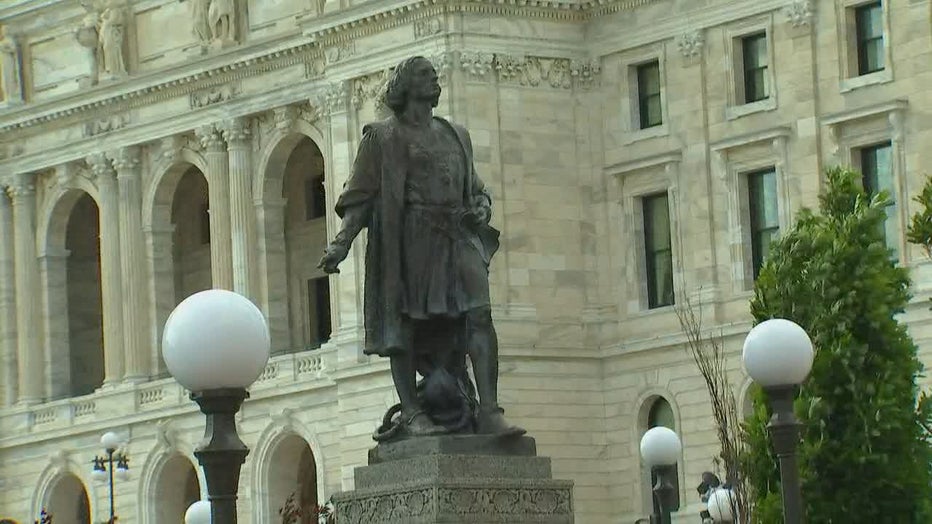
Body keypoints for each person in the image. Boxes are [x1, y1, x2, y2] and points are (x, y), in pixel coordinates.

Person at [318, 56, 523, 439]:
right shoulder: (382, 137)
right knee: (404, 325)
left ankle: (490, 411)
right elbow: (361, 197)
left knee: (479, 314)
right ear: (406, 86)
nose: (435, 80)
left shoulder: (455, 133)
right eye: (426, 75)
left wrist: (482, 204)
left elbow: (476, 187)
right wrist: (340, 244)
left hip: (457, 234)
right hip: (410, 242)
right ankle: (412, 412)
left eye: (435, 75)